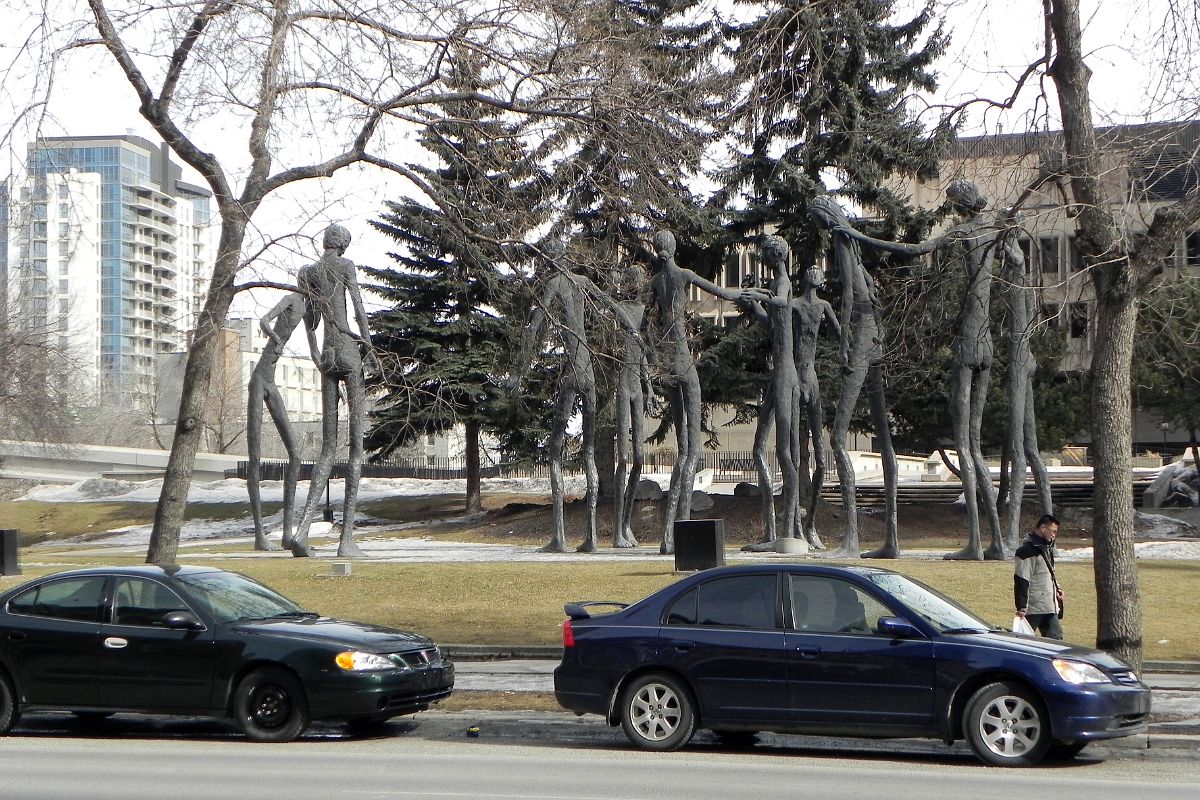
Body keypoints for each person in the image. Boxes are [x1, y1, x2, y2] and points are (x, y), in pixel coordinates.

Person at [1014, 513, 1065, 639]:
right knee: (1024, 642)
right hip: (1033, 606)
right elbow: (1021, 579)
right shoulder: (1026, 551)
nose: (1054, 535)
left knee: (1056, 640)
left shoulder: (1046, 548)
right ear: (1043, 528)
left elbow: (1047, 573)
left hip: (1048, 604)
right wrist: (1021, 606)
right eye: (1053, 531)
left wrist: (1058, 588)